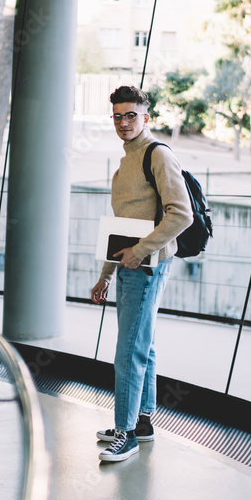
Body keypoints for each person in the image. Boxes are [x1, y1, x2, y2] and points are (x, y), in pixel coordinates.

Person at [90, 86, 192, 463]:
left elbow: (182, 214)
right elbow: (120, 227)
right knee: (142, 345)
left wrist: (141, 251)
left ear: (146, 117)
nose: (123, 122)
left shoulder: (158, 155)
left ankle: (126, 433)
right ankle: (143, 421)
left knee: (128, 351)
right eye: (117, 116)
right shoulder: (125, 162)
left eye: (131, 115)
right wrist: (105, 275)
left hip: (148, 266)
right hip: (132, 265)